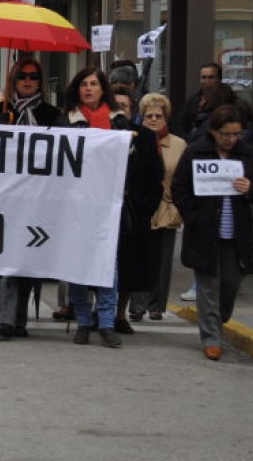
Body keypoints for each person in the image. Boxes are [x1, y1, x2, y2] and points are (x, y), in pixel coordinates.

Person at [59, 69, 162, 348]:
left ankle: (106, 322)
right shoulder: (66, 123)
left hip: (110, 207)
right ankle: (82, 321)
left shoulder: (119, 124)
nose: (89, 89)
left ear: (103, 88)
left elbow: (138, 165)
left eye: (94, 84)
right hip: (78, 205)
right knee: (79, 264)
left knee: (109, 266)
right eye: (83, 84)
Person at [172, 104, 253, 361]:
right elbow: (180, 188)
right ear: (214, 131)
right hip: (205, 231)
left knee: (231, 283)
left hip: (236, 233)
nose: (232, 140)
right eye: (226, 134)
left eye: (237, 134)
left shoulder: (247, 155)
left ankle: (216, 322)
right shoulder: (195, 153)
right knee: (208, 285)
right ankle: (211, 337)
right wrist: (193, 217)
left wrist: (251, 188)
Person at [0, 57, 63, 337]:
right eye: (22, 76)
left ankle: (19, 319)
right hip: (5, 196)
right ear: (13, 81)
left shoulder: (53, 114)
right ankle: (3, 318)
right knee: (5, 255)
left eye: (33, 76)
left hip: (38, 197)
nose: (28, 81)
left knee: (28, 255)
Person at [127, 92, 188, 322]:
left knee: (162, 261)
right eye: (148, 116)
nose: (153, 119)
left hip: (167, 207)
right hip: (141, 206)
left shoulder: (180, 145)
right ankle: (136, 305)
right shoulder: (134, 140)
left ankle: (156, 305)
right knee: (140, 256)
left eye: (158, 116)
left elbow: (183, 179)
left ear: (166, 119)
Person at [107, 82, 161, 334]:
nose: (121, 111)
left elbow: (155, 176)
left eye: (125, 107)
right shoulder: (100, 136)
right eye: (116, 107)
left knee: (128, 266)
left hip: (133, 211)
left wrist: (144, 205)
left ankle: (120, 314)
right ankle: (101, 312)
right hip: (102, 210)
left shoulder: (146, 137)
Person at [174, 62, 221, 138]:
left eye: (211, 77)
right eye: (203, 78)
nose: (206, 81)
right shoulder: (193, 100)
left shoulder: (225, 100)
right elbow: (182, 123)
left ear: (219, 80)